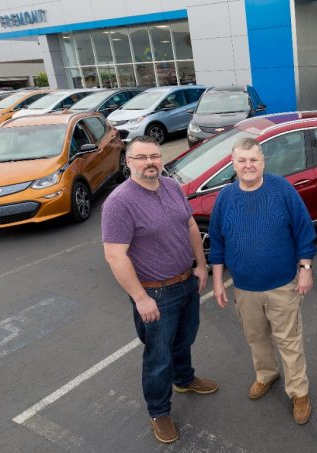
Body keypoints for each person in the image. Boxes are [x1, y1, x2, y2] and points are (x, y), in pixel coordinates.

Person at [102, 136, 217, 444]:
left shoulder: (171, 186)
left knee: (185, 338)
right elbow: (115, 254)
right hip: (155, 294)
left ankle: (184, 379)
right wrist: (140, 298)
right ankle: (159, 411)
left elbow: (190, 225)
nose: (150, 162)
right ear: (128, 162)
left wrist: (200, 264)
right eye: (141, 157)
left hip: (186, 283)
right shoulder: (119, 202)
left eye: (155, 155)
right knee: (158, 357)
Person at [208, 137, 316, 425]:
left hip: (283, 285)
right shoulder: (225, 198)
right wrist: (218, 282)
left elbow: (304, 231)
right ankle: (266, 375)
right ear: (233, 164)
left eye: (253, 159)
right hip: (244, 288)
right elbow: (217, 243)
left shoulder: (282, 190)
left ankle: (298, 392)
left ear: (263, 162)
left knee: (289, 341)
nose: (248, 165)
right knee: (256, 339)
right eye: (242, 160)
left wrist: (305, 267)